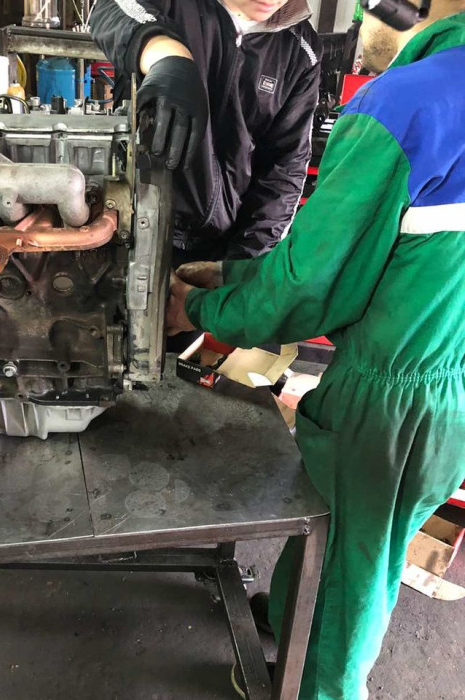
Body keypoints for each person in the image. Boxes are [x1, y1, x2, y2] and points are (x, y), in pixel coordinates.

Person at [166, 4, 465, 698]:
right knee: (345, 530)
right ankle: (285, 616)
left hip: (393, 395)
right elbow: (387, 262)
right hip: (449, 381)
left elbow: (314, 290)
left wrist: (200, 308)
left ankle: (321, 687)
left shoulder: (404, 105)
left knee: (357, 565)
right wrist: (236, 276)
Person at [89, 0, 322, 264]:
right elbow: (112, 7)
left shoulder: (300, 49)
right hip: (131, 227)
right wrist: (168, 57)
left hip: (224, 247)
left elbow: (284, 169)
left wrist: (238, 267)